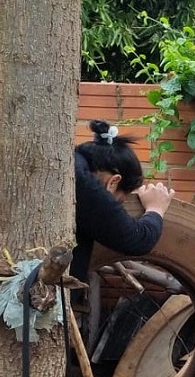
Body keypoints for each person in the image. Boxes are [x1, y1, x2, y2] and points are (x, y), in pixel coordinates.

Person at [72, 120, 175, 283]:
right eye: (120, 201)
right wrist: (156, 208)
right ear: (113, 182)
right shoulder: (85, 185)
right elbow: (137, 241)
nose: (115, 207)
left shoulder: (76, 164)